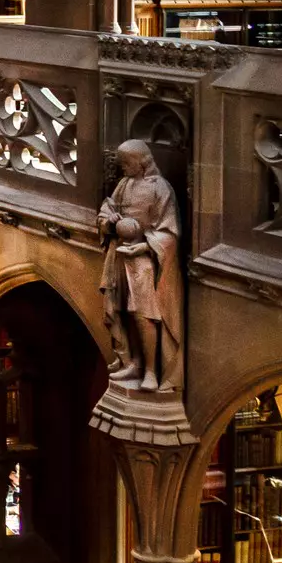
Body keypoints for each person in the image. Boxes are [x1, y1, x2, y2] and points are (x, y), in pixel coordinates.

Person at [98, 139, 184, 391]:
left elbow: (170, 232)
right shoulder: (124, 184)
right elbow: (107, 207)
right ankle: (133, 362)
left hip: (144, 259)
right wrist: (109, 219)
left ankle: (150, 371)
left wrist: (144, 245)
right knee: (121, 311)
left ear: (142, 162)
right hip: (119, 255)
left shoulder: (160, 188)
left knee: (144, 316)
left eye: (126, 162)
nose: (122, 167)